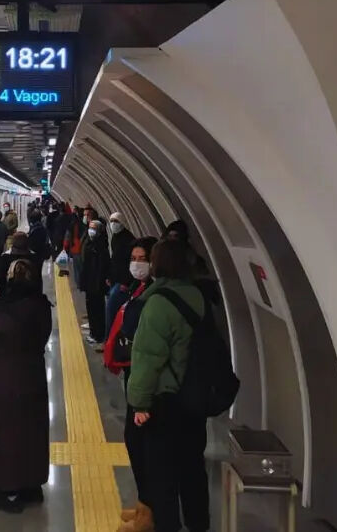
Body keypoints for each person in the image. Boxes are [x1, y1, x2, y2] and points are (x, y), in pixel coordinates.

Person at [127, 240, 210, 532]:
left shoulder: (159, 303)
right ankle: (199, 525)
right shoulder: (198, 296)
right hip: (195, 397)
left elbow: (147, 358)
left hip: (166, 401)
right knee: (192, 470)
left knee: (162, 476)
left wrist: (139, 403)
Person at [0, 259, 53, 513]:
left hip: (5, 378)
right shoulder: (42, 306)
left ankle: (7, 486)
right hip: (33, 374)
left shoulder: (0, 310)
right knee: (33, 430)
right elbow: (43, 336)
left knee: (5, 431)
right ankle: (32, 486)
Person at [103, 237, 159, 532]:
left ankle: (149, 515)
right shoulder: (140, 289)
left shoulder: (154, 297)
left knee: (143, 445)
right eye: (134, 257)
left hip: (144, 382)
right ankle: (143, 506)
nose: (137, 263)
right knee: (135, 443)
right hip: (134, 373)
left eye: (142, 258)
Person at [106, 212, 137, 351]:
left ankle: (110, 343)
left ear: (122, 222)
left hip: (123, 284)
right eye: (111, 220)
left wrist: (126, 282)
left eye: (116, 221)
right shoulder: (115, 237)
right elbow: (114, 261)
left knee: (112, 312)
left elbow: (130, 264)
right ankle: (111, 342)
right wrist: (110, 277)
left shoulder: (129, 240)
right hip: (115, 281)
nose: (113, 223)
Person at [80, 219, 111, 347]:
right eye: (90, 227)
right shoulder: (91, 243)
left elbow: (101, 267)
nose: (90, 230)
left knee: (97, 309)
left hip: (96, 284)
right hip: (90, 282)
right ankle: (94, 331)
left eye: (93, 228)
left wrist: (98, 284)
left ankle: (98, 335)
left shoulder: (100, 247)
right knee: (92, 308)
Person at [0, 232, 41, 296]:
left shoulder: (5, 257)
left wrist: (3, 294)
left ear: (13, 242)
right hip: (30, 294)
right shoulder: (34, 257)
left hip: (10, 294)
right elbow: (38, 279)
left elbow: (0, 278)